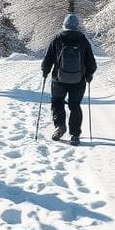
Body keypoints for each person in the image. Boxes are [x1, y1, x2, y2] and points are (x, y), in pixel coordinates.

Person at [41, 13, 97, 145]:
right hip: (79, 80)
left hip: (58, 79)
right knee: (75, 105)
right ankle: (75, 135)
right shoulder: (83, 39)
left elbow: (48, 58)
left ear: (64, 25)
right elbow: (91, 62)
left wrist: (45, 71)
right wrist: (89, 74)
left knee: (57, 102)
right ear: (77, 26)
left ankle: (60, 126)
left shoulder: (57, 38)